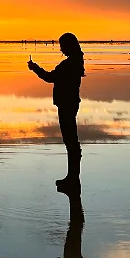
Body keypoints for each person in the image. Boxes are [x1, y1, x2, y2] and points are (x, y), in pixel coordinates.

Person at [27, 32, 85, 190]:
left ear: (68, 45)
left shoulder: (69, 64)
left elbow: (49, 77)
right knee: (71, 141)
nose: (61, 49)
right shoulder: (76, 61)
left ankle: (73, 180)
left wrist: (35, 68)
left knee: (71, 141)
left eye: (62, 45)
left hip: (67, 104)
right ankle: (72, 178)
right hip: (70, 103)